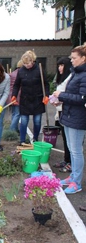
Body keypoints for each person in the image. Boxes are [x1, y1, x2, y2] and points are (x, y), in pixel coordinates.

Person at [53, 43, 86, 195]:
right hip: (69, 115)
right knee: (72, 151)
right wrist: (60, 99)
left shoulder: (84, 75)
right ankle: (72, 176)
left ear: (83, 59)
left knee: (77, 151)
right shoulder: (75, 73)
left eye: (74, 58)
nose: (71, 60)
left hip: (78, 118)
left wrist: (62, 96)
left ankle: (77, 183)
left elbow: (81, 98)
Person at [12, 50, 50, 144]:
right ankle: (22, 140)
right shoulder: (21, 71)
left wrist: (46, 95)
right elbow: (16, 85)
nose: (26, 65)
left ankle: (35, 138)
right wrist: (14, 95)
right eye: (24, 63)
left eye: (28, 63)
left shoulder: (39, 69)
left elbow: (46, 84)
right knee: (24, 121)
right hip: (25, 100)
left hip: (38, 99)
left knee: (37, 121)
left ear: (32, 60)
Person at [52, 57, 72, 173]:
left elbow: (69, 95)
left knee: (70, 140)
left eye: (62, 65)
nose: (60, 68)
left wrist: (60, 99)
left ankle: (71, 163)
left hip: (68, 112)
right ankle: (66, 160)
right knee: (64, 138)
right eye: (58, 65)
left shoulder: (70, 79)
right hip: (60, 111)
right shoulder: (62, 79)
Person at [8, 60, 23, 133]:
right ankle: (12, 130)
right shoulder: (21, 73)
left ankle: (15, 128)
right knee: (17, 114)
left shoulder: (12, 74)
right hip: (19, 96)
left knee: (14, 113)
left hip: (12, 95)